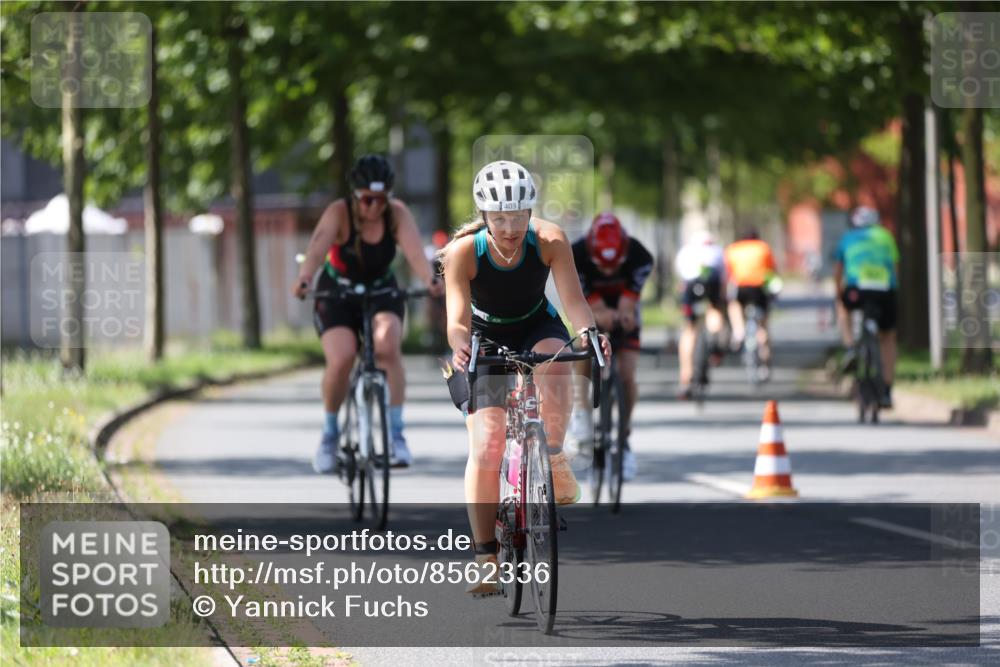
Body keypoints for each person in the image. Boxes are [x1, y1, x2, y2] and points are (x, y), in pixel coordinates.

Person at [440, 160, 611, 596]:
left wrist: (589, 335)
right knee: (487, 444)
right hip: (484, 336)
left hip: (537, 324)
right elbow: (456, 321)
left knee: (557, 358)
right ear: (484, 215)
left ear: (530, 212)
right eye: (499, 218)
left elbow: (574, 302)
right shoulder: (463, 252)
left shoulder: (550, 240)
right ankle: (485, 558)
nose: (510, 227)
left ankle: (552, 455)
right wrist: (460, 346)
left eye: (518, 216)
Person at [293, 154, 442, 474]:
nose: (374, 207)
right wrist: (305, 277)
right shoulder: (339, 212)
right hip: (338, 291)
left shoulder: (396, 214)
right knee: (342, 358)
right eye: (367, 200)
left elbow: (415, 253)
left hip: (380, 289)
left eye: (381, 199)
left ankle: (396, 435)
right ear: (355, 195)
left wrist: (430, 280)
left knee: (388, 346)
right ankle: (330, 435)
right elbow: (317, 248)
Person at [567, 212, 654, 481]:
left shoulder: (640, 255)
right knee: (583, 352)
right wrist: (600, 316)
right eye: (601, 266)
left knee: (627, 373)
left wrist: (624, 314)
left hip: (623, 307)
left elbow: (630, 301)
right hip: (589, 308)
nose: (606, 272)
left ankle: (624, 438)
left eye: (613, 266)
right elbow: (581, 299)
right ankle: (582, 415)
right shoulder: (576, 255)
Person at [833, 206, 899, 408]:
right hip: (884, 290)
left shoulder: (848, 238)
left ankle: (850, 346)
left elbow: (838, 270)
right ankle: (887, 391)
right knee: (887, 338)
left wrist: (838, 292)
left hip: (857, 289)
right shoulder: (886, 236)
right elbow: (895, 267)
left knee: (842, 307)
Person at [674, 230, 727, 399]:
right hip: (711, 283)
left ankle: (685, 379)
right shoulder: (717, 251)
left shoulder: (685, 252)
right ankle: (714, 342)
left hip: (691, 286)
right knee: (715, 311)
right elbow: (724, 278)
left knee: (689, 330)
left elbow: (681, 280)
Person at [724, 228, 779, 380]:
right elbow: (772, 271)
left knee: (734, 304)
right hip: (759, 289)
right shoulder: (763, 248)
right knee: (763, 327)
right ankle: (765, 365)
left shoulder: (733, 249)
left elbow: (728, 274)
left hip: (741, 287)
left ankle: (739, 330)